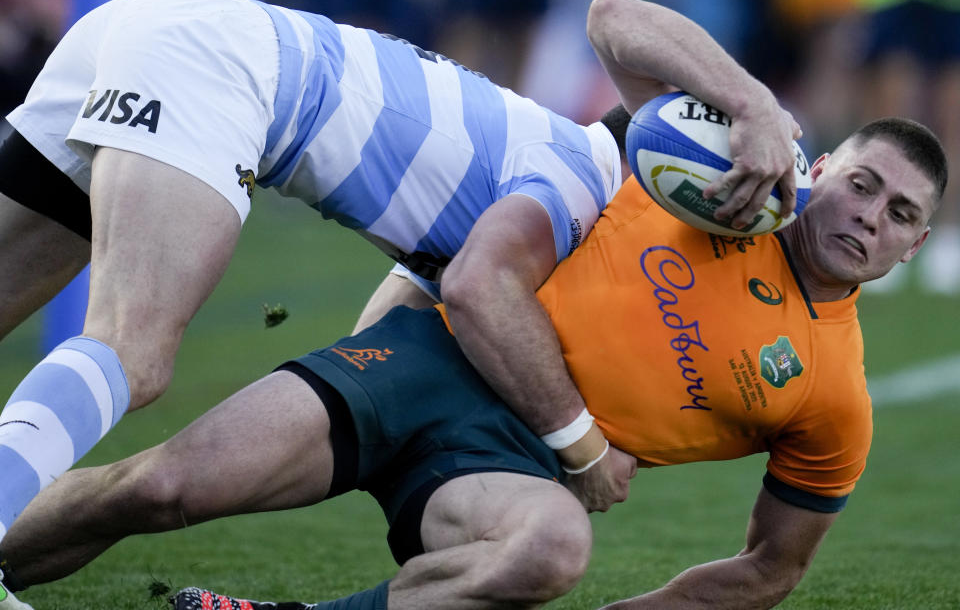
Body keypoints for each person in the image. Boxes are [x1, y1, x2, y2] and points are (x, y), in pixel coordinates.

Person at [0, 48, 946, 610]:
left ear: (914, 248)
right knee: (160, 488)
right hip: (428, 359)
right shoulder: (696, 178)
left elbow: (770, 570)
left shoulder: (834, 399)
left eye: (901, 214)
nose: (871, 216)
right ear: (816, 169)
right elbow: (615, 22)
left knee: (552, 550)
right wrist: (747, 106)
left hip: (514, 470)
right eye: (862, 184)